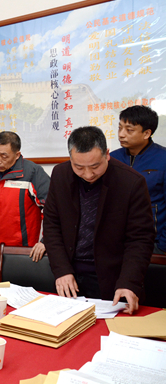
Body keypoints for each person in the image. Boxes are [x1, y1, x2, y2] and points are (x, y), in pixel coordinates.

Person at [44, 126, 154, 314]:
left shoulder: (131, 182)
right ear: (70, 159)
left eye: (95, 166)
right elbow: (51, 225)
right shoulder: (60, 174)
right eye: (79, 167)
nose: (88, 174)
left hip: (112, 279)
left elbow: (140, 239)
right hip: (69, 275)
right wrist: (62, 270)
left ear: (107, 155)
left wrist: (129, 282)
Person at [0, 131, 50, 278]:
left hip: (20, 250)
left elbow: (51, 209)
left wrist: (46, 241)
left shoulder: (32, 173)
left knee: (18, 291)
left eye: (4, 156)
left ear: (17, 155)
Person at [110, 105, 166, 255]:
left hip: (154, 242)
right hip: (118, 243)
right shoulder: (112, 159)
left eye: (129, 130)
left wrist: (163, 245)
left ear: (147, 133)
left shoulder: (163, 159)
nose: (121, 134)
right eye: (120, 128)